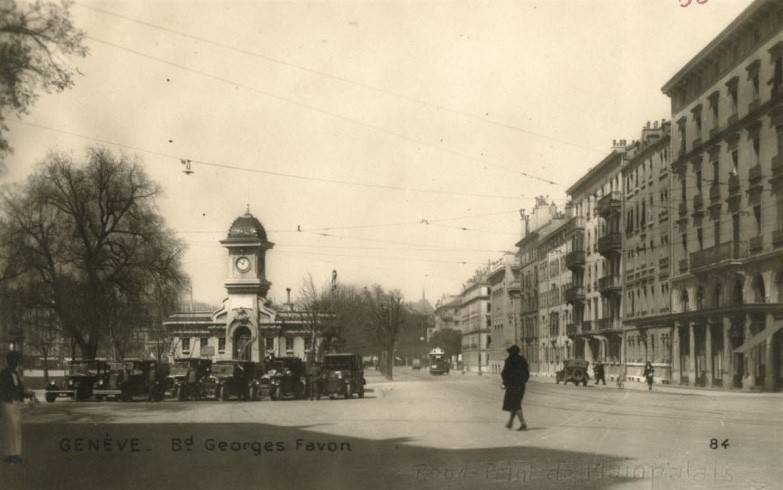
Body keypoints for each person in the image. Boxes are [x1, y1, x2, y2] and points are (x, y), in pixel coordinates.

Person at [0, 351, 36, 464]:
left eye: (16, 360)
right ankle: (9, 454)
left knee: (16, 429)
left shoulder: (17, 374)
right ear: (8, 361)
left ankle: (16, 454)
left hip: (16, 403)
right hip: (7, 403)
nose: (15, 362)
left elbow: (20, 390)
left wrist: (29, 394)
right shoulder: (3, 374)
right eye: (13, 360)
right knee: (9, 429)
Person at [501, 345, 529, 431]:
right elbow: (527, 373)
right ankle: (510, 422)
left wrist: (505, 383)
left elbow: (504, 373)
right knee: (515, 404)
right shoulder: (522, 360)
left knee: (515, 405)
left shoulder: (509, 361)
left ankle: (523, 423)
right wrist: (522, 382)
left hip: (512, 386)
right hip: (521, 386)